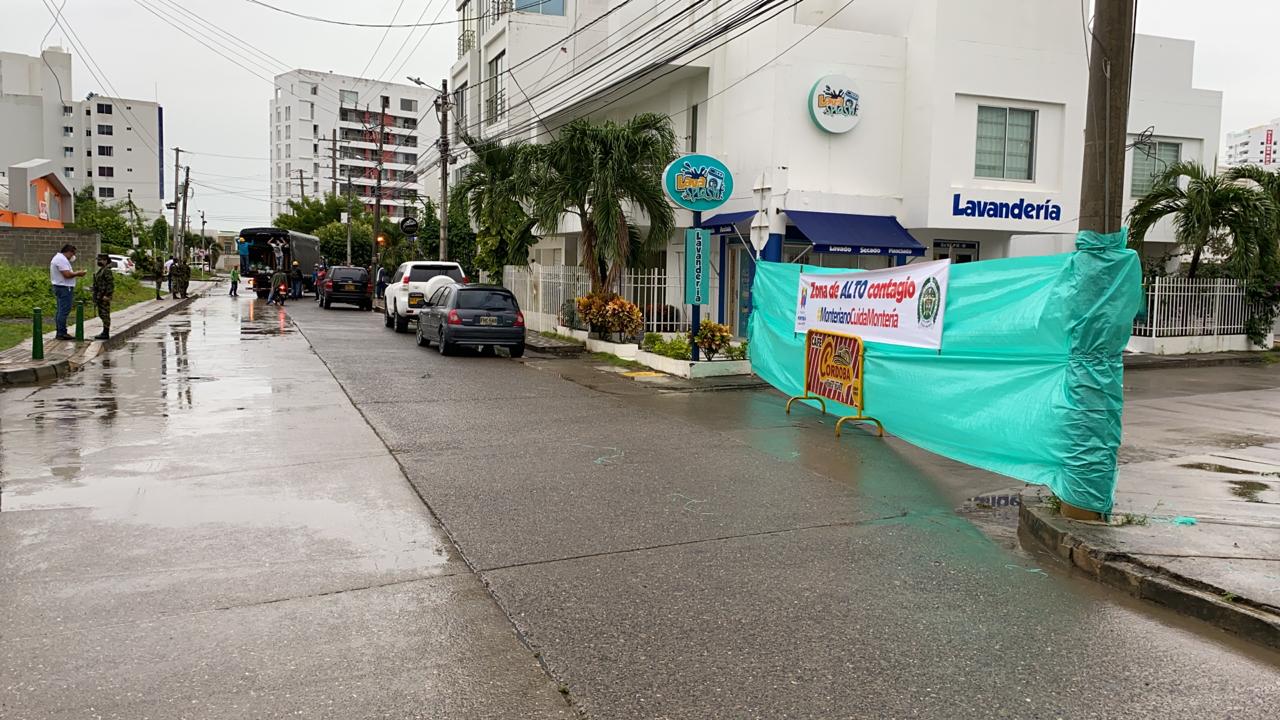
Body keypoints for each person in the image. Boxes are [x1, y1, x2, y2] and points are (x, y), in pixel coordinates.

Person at [49, 244, 87, 341]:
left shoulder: (59, 258)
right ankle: (61, 333)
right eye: (73, 253)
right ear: (69, 252)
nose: (73, 256)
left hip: (61, 286)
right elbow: (67, 274)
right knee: (64, 310)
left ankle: (61, 332)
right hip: (64, 287)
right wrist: (78, 273)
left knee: (61, 310)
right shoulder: (61, 259)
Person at [91, 253, 115, 341]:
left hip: (104, 295)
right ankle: (104, 331)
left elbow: (110, 284)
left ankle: (106, 332)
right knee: (102, 313)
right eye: (98, 260)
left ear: (105, 260)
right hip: (100, 295)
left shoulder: (107, 270)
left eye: (100, 260)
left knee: (105, 314)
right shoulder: (102, 270)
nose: (98, 262)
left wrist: (107, 295)